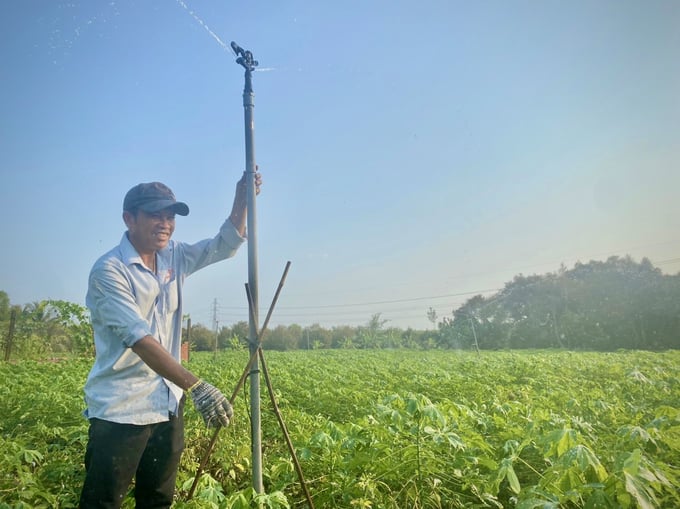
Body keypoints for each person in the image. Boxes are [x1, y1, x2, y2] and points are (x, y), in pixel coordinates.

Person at [79, 172, 262, 509]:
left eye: (170, 216)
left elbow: (224, 245)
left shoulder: (173, 257)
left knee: (159, 500)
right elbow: (140, 339)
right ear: (129, 219)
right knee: (103, 502)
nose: (165, 224)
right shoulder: (110, 270)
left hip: (166, 404)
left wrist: (242, 197)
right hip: (122, 409)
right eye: (155, 215)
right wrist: (197, 385)